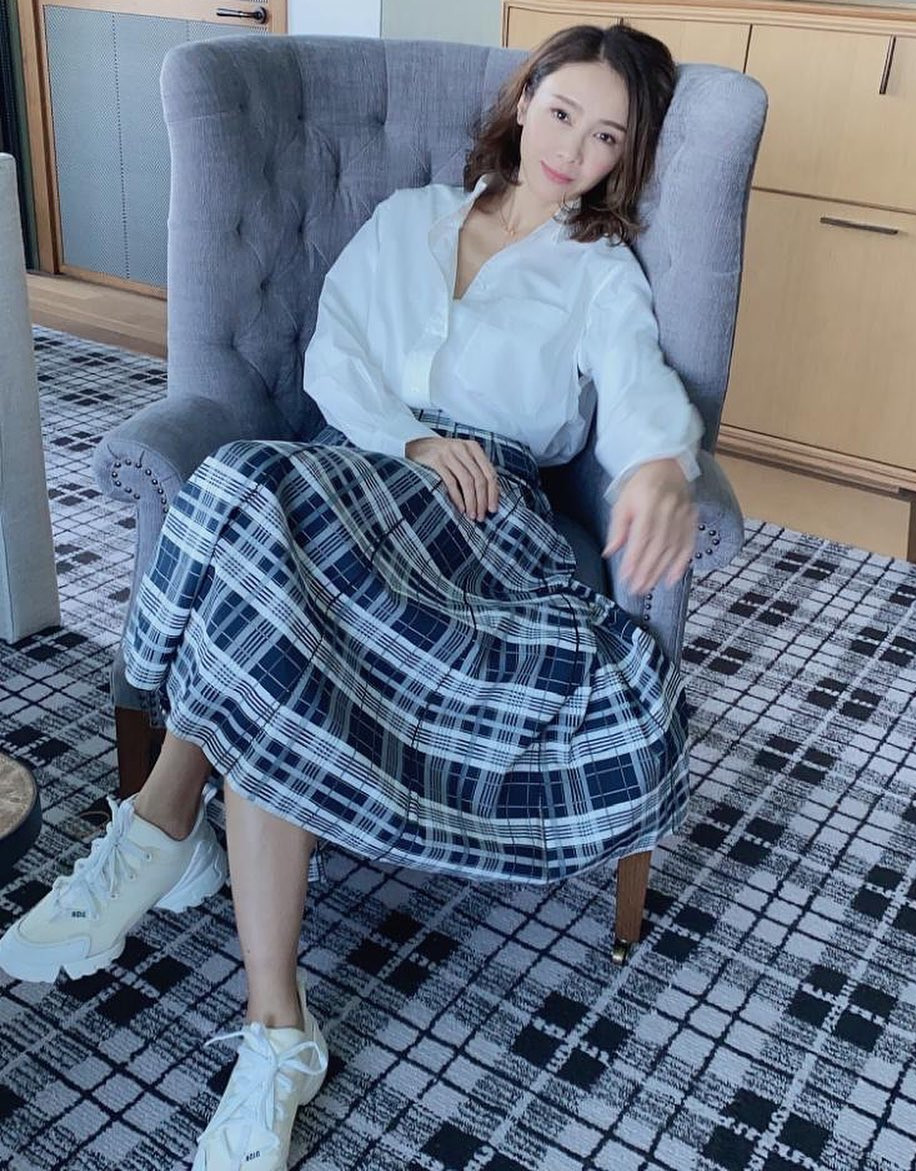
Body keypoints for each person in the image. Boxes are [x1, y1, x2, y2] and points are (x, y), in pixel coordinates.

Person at [0, 21, 703, 1171]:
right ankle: (276, 1028)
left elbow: (635, 387)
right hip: (361, 469)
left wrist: (661, 465)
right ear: (526, 99)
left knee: (248, 501)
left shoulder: (596, 272)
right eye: (562, 112)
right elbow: (335, 359)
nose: (573, 149)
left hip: (483, 523)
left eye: (607, 137)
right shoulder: (408, 219)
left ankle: (163, 824)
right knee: (263, 541)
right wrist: (410, 441)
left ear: (625, 159)